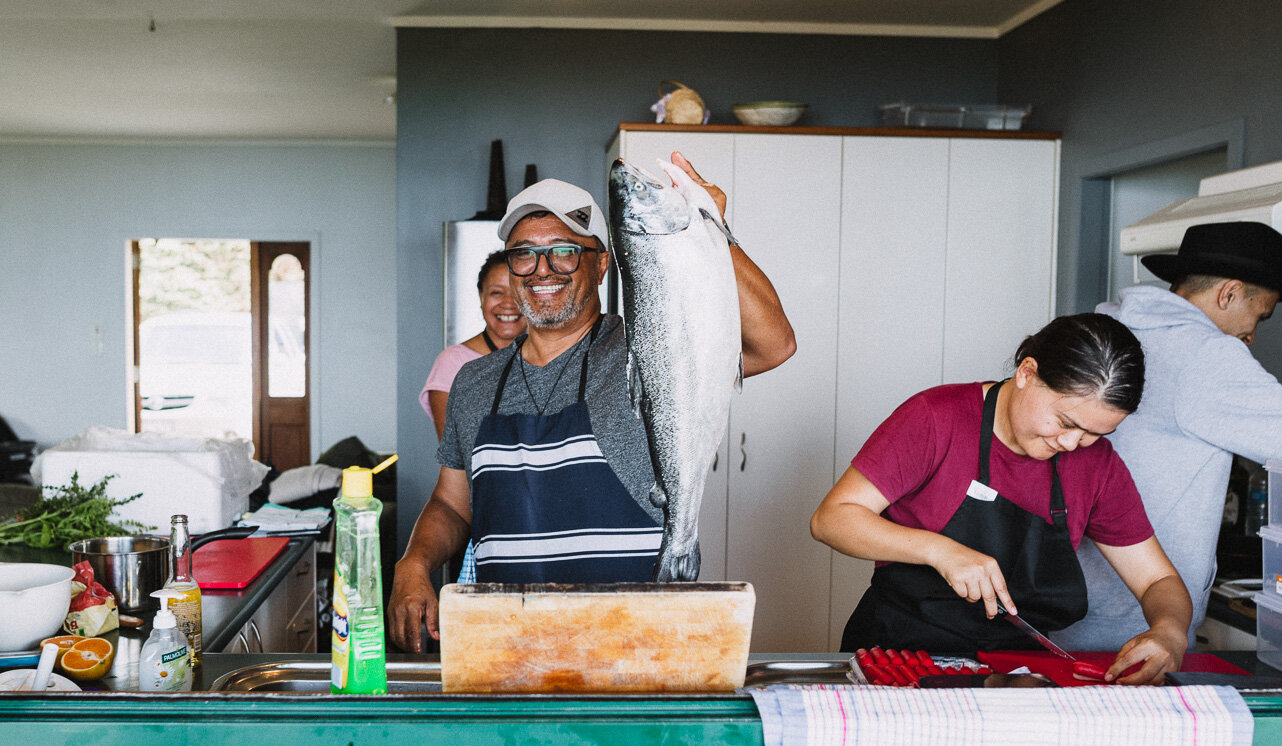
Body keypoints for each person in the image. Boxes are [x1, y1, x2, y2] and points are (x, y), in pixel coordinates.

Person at [387, 152, 796, 652]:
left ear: (602, 263)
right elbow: (452, 504)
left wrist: (710, 228)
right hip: (505, 646)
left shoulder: (649, 350)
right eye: (524, 253)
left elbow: (774, 345)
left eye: (564, 250)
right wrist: (412, 563)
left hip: (635, 642)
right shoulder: (474, 382)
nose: (542, 269)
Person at [810, 313, 1191, 684]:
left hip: (1014, 672)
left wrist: (1170, 631)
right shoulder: (936, 419)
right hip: (897, 657)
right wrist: (941, 551)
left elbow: (1157, 578)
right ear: (1027, 373)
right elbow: (832, 519)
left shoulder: (1098, 465)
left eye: (1094, 433)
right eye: (1066, 422)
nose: (1072, 444)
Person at [1056, 221, 1282, 651]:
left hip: (1056, 599)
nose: (1253, 334)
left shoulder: (1105, 326)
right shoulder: (1206, 355)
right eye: (1258, 314)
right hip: (1136, 622)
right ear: (1228, 293)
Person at [419, 250, 524, 440]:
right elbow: (454, 454)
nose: (509, 303)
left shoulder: (555, 357)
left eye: (518, 292)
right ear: (480, 296)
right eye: (496, 293)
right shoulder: (453, 363)